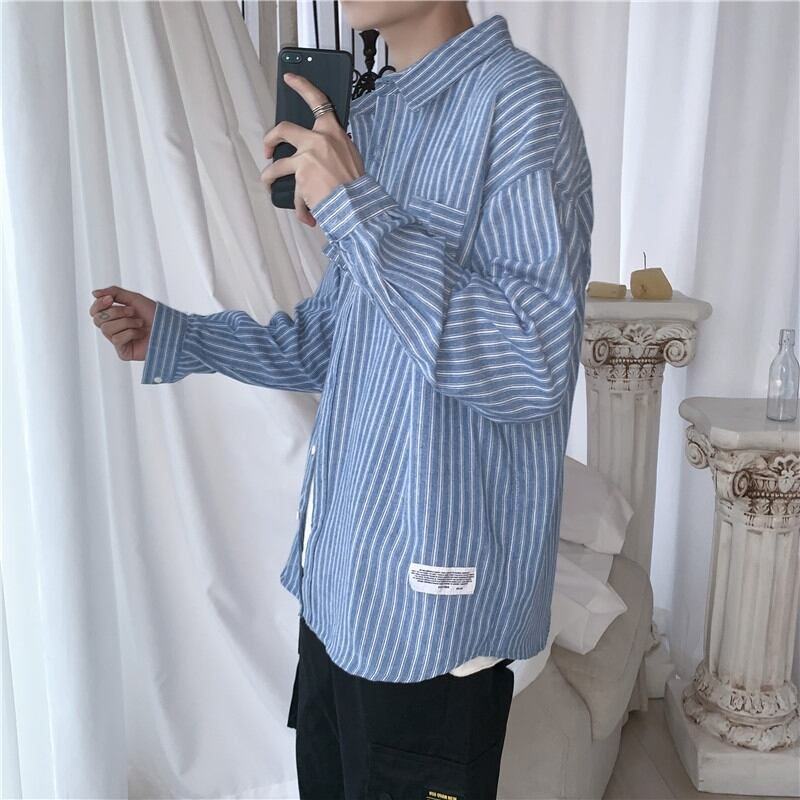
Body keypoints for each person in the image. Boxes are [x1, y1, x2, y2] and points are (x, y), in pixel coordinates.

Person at [89, 2, 593, 797]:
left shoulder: (521, 103)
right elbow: (333, 339)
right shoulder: (371, 122)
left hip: (430, 615)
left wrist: (358, 207)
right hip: (337, 589)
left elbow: (531, 364)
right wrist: (179, 336)